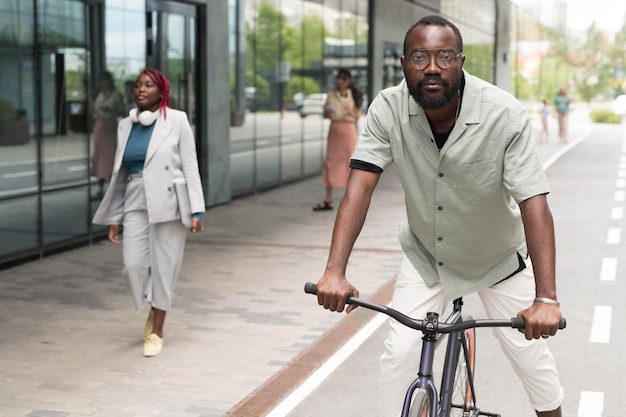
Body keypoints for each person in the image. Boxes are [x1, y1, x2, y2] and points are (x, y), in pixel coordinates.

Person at [313, 15, 564, 417]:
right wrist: (334, 270)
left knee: (532, 360)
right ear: (403, 64)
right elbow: (359, 186)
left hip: (496, 258)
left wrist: (546, 298)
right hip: (426, 254)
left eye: (444, 56)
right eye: (420, 57)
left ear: (461, 61)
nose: (432, 66)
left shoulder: (504, 113)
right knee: (397, 356)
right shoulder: (387, 108)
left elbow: (533, 201)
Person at [92, 68, 205, 357]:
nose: (141, 89)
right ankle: (154, 305)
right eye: (138, 85)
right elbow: (119, 174)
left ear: (161, 90)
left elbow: (191, 165)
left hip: (169, 200)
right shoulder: (124, 125)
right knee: (134, 266)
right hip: (134, 196)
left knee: (165, 266)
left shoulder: (176, 120)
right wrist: (114, 217)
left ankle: (157, 330)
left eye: (149, 85)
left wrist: (197, 210)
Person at [313, 68, 364, 211]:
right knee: (331, 162)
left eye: (343, 79)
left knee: (349, 161)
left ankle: (352, 199)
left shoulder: (354, 95)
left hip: (348, 130)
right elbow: (324, 113)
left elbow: (357, 116)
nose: (340, 81)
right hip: (335, 129)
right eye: (339, 78)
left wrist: (350, 111)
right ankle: (328, 199)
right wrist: (328, 112)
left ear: (348, 80)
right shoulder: (331, 95)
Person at [91, 71, 126, 199]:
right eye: (101, 81)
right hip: (99, 126)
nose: (103, 83)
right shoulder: (98, 94)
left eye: (106, 80)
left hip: (111, 125)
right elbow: (93, 109)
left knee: (111, 156)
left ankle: (114, 189)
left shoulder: (116, 95)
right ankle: (100, 188)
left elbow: (123, 111)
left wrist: (111, 110)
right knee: (99, 156)